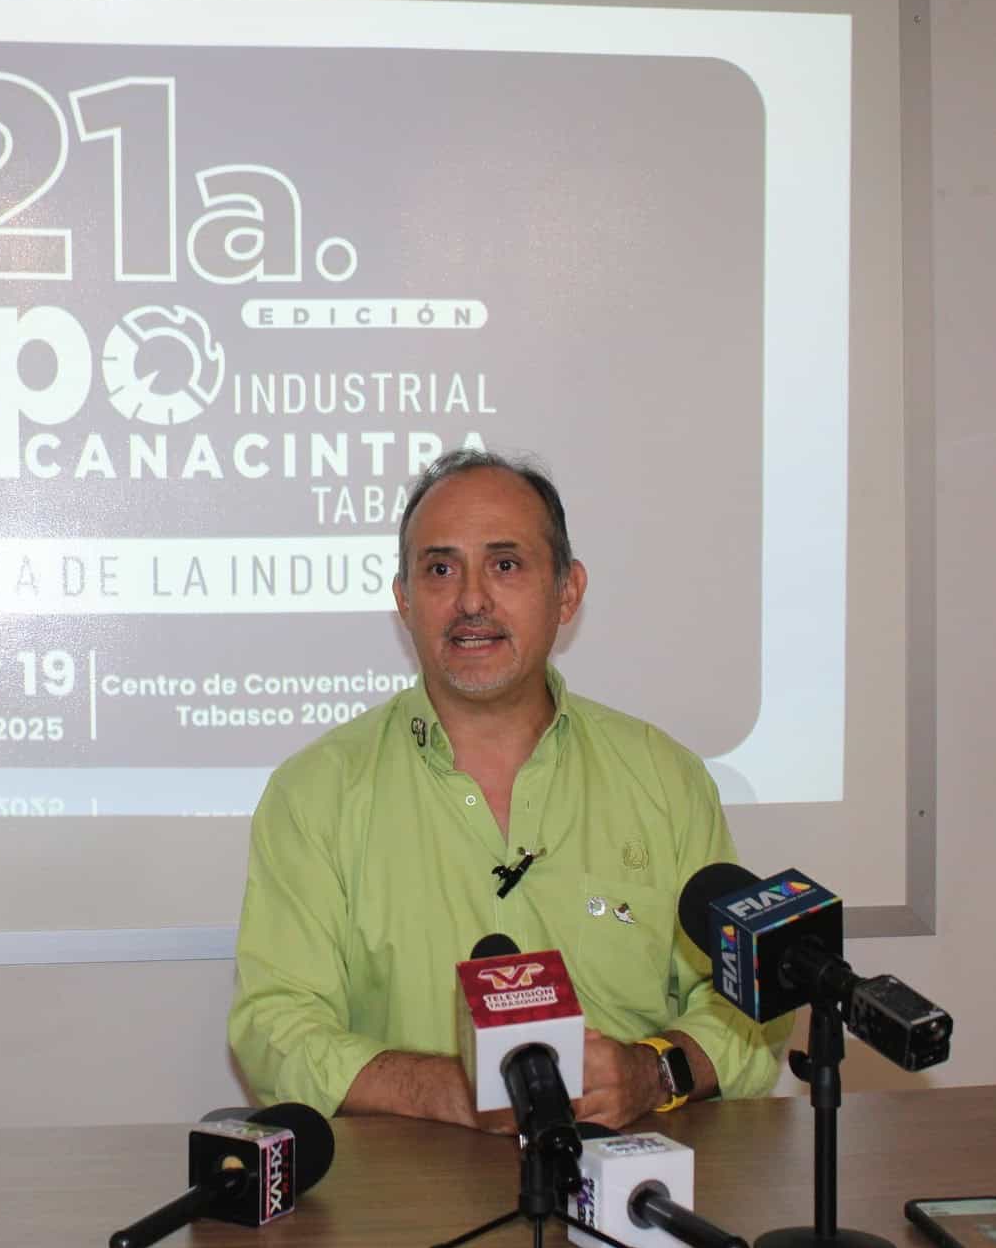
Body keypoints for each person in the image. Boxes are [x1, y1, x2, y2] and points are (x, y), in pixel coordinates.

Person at [227, 449, 791, 1130]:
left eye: (505, 564)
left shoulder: (664, 779)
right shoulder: (315, 793)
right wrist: (449, 1090)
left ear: (567, 592)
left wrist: (651, 1072)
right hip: (413, 1179)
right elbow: (276, 1026)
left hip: (629, 1172)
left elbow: (746, 1004)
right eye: (440, 570)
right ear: (403, 599)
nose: (471, 600)